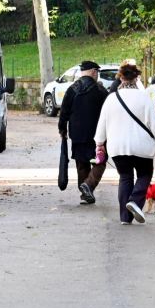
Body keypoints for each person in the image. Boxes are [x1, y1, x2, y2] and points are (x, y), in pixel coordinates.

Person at [93, 63, 155, 225]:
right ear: (136, 78)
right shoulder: (143, 98)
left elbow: (102, 123)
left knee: (125, 177)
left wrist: (99, 143)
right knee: (144, 174)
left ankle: (125, 218)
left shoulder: (111, 99)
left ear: (121, 78)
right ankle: (134, 201)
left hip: (118, 148)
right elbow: (154, 123)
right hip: (142, 147)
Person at [58, 60, 109, 205]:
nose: (97, 75)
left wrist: (62, 129)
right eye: (97, 72)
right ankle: (89, 186)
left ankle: (85, 193)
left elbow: (64, 112)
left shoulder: (72, 89)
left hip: (77, 135)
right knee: (101, 161)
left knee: (82, 163)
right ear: (93, 71)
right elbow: (108, 113)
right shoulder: (100, 91)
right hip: (97, 135)